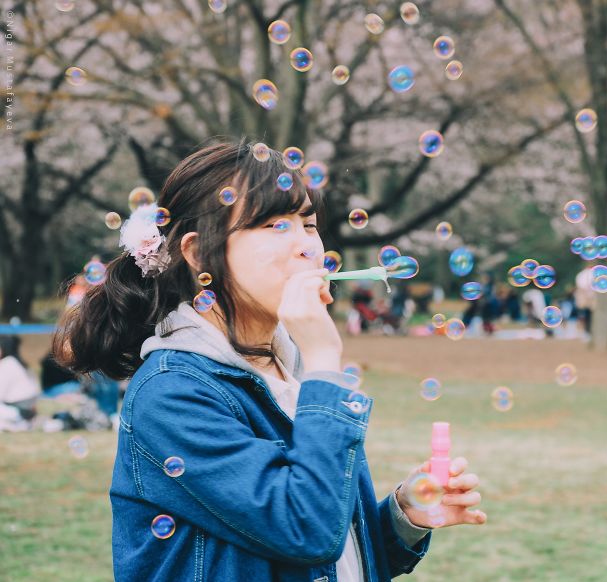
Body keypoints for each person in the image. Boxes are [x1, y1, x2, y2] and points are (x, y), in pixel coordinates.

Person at [54, 140, 486, 581]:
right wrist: (323, 358)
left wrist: (401, 516)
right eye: (275, 225)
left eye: (309, 223)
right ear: (200, 253)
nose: (307, 246)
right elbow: (306, 531)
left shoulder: (291, 373)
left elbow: (329, 551)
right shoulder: (174, 393)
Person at [0, 335, 41, 431]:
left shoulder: (7, 364)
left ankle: (14, 425)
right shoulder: (19, 363)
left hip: (17, 411)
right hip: (27, 411)